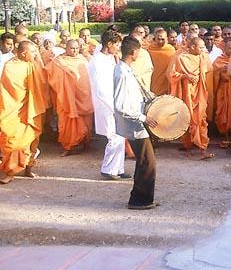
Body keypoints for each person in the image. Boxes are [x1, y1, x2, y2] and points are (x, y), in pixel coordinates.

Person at [114, 36, 159, 210]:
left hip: (136, 122)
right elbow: (121, 105)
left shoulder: (125, 69)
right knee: (147, 161)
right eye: (139, 51)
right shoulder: (122, 72)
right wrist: (143, 118)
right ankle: (140, 201)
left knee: (144, 161)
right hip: (134, 124)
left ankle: (140, 198)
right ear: (133, 52)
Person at [0, 40, 46, 184]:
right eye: (33, 52)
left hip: (31, 108)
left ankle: (28, 168)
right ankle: (10, 171)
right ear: (24, 53)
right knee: (12, 140)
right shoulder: (10, 66)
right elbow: (9, 90)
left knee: (31, 140)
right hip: (14, 110)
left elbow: (43, 82)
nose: (35, 55)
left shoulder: (32, 66)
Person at [89, 30, 130, 180]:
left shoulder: (110, 58)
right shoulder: (97, 62)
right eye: (117, 45)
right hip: (106, 105)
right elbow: (100, 88)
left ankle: (118, 168)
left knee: (120, 136)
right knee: (114, 136)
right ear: (109, 44)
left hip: (115, 102)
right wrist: (113, 107)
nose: (118, 48)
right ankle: (108, 169)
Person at [45, 39, 94, 156]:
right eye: (72, 48)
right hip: (67, 97)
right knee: (67, 121)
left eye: (77, 48)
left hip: (83, 96)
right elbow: (49, 75)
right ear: (66, 48)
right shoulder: (59, 62)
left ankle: (85, 142)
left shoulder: (83, 60)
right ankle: (68, 146)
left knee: (86, 121)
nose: (75, 50)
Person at [169, 37, 213, 159]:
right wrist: (185, 76)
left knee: (201, 120)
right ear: (193, 47)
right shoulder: (181, 58)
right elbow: (172, 75)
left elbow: (209, 70)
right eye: (201, 47)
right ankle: (188, 148)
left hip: (200, 94)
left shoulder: (203, 58)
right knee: (187, 120)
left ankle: (203, 149)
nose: (203, 49)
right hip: (187, 95)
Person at [213, 41, 231, 148]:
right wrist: (220, 71)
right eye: (230, 48)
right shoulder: (219, 60)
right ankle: (225, 137)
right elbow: (212, 74)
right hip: (223, 89)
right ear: (225, 49)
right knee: (221, 113)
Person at [148, 29, 176, 96]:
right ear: (155, 38)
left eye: (163, 39)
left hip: (166, 79)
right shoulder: (150, 49)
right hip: (154, 79)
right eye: (158, 39)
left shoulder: (171, 50)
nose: (160, 41)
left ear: (166, 39)